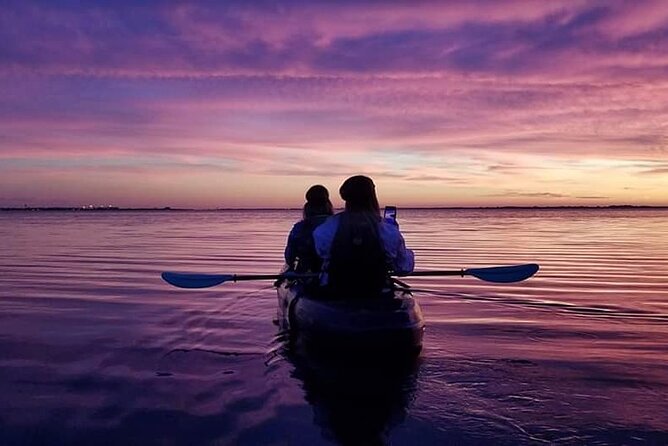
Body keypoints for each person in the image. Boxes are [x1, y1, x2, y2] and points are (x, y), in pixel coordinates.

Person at [313, 175, 414, 298]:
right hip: (377, 294)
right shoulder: (389, 231)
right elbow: (403, 268)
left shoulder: (325, 229)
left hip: (335, 292)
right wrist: (406, 251)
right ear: (372, 197)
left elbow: (322, 255)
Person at [284, 185, 334, 273]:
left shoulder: (299, 228)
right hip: (334, 275)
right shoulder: (338, 224)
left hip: (306, 275)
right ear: (328, 205)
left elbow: (289, 257)